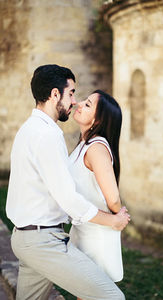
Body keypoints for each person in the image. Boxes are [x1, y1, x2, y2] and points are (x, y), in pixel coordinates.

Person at [6, 64, 130, 300]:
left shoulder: (29, 129)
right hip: (43, 242)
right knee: (113, 298)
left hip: (27, 237)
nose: (74, 101)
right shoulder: (48, 135)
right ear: (55, 94)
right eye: (71, 93)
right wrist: (113, 220)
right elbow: (69, 199)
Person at [69, 90, 124, 292]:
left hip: (97, 237)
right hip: (83, 231)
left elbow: (113, 197)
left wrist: (119, 214)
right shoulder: (84, 144)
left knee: (93, 294)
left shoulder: (97, 148)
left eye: (88, 104)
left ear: (99, 120)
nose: (80, 104)